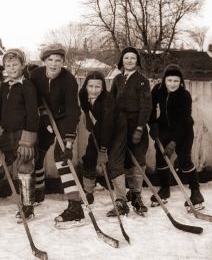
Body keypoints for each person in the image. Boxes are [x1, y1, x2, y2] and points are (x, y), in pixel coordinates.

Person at [0, 49, 39, 221]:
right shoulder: (4, 85)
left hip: (22, 135)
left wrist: (28, 139)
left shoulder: (27, 86)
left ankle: (27, 207)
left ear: (22, 65)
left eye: (15, 64)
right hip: (6, 134)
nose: (11, 68)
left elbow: (33, 114)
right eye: (8, 65)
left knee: (24, 168)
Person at [30, 43, 83, 228]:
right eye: (50, 60)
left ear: (63, 62)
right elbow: (32, 99)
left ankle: (75, 206)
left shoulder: (69, 80)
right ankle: (38, 191)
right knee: (37, 152)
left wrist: (68, 142)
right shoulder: (35, 75)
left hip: (63, 119)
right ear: (44, 61)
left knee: (61, 158)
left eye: (58, 60)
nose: (54, 64)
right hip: (44, 118)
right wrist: (44, 120)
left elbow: (73, 110)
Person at [148, 63, 204, 210]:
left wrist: (174, 143)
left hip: (183, 130)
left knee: (184, 160)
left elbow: (184, 120)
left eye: (176, 81)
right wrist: (152, 124)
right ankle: (165, 189)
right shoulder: (157, 90)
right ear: (164, 80)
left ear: (181, 82)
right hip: (164, 128)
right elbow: (151, 108)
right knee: (161, 158)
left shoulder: (185, 96)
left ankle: (196, 193)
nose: (172, 84)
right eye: (169, 80)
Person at [78, 71, 129, 217]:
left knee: (114, 162)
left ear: (103, 88)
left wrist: (103, 150)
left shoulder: (108, 101)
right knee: (88, 157)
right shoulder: (82, 94)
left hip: (117, 128)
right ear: (86, 86)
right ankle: (88, 193)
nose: (93, 90)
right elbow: (84, 106)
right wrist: (87, 117)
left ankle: (121, 201)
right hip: (101, 126)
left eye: (97, 87)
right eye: (91, 86)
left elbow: (108, 125)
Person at [110, 47, 152, 215]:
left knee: (138, 161)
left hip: (136, 126)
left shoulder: (142, 81)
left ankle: (136, 195)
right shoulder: (117, 79)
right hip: (120, 126)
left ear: (137, 61)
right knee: (117, 161)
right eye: (126, 58)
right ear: (122, 60)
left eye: (132, 58)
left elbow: (146, 106)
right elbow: (111, 103)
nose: (129, 61)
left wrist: (140, 127)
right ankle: (120, 200)